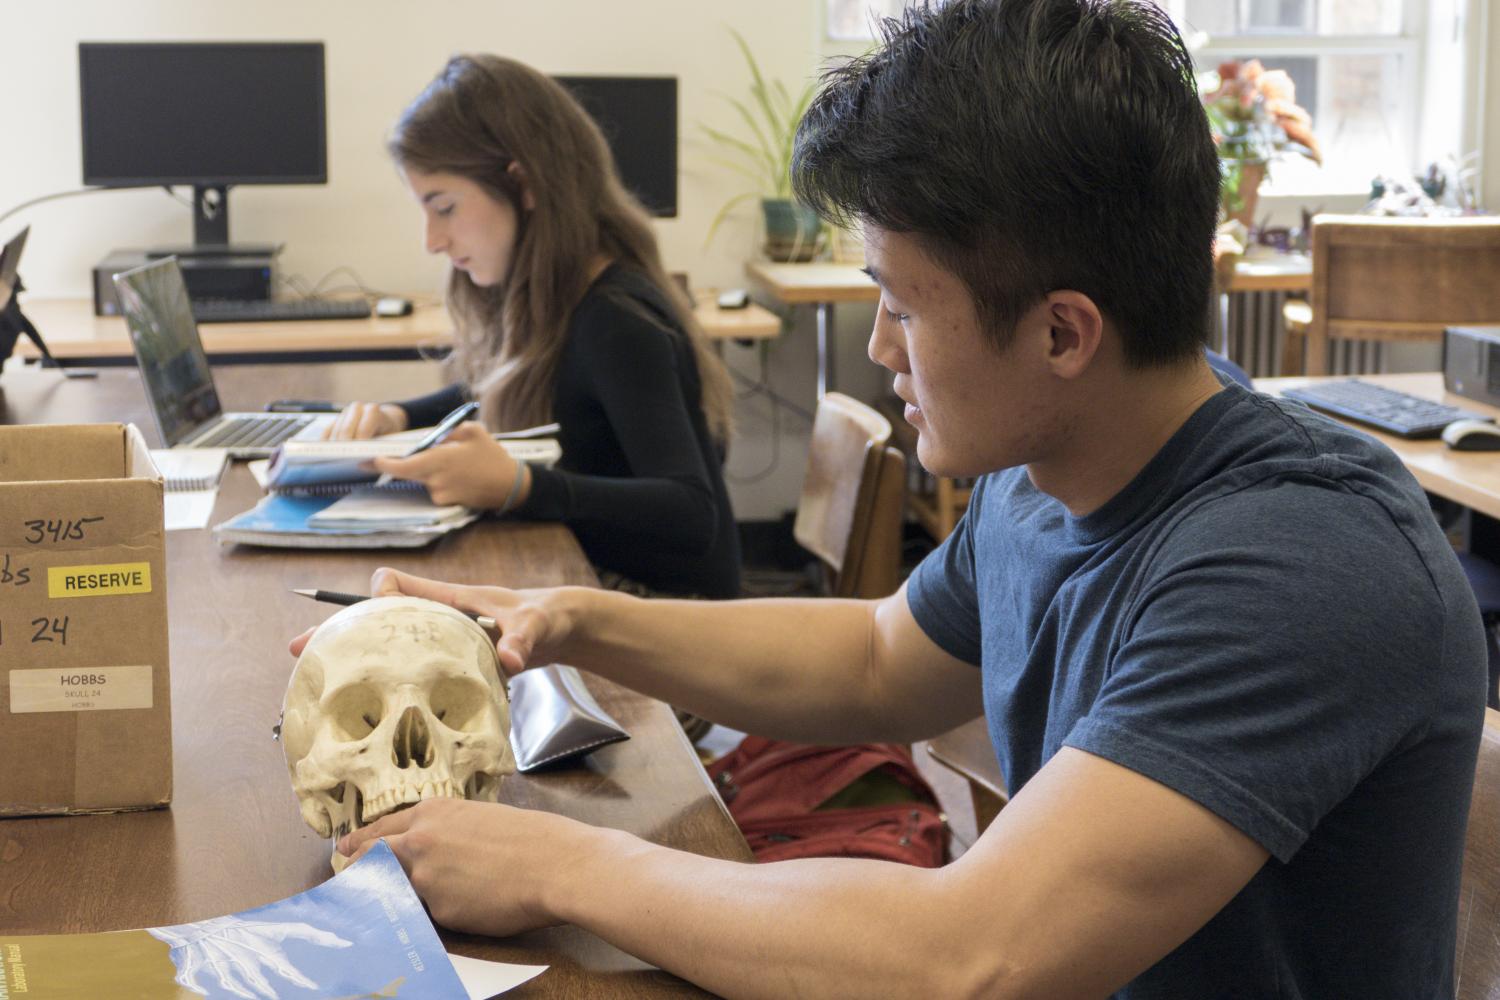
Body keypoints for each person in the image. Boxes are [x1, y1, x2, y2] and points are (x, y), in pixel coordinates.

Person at [300, 1, 1488, 995]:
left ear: (1064, 331)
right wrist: (573, 620)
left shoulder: (1300, 566)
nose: (879, 347)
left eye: (904, 307)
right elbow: (875, 660)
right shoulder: (1053, 465)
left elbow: (969, 957)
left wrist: (553, 866)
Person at [329, 54, 740, 598]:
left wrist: (519, 486)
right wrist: (397, 414)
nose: (432, 239)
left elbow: (691, 513)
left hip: (668, 613)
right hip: (597, 581)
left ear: (523, 186)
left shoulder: (616, 320)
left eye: (445, 207)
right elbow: (509, 385)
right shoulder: (558, 295)